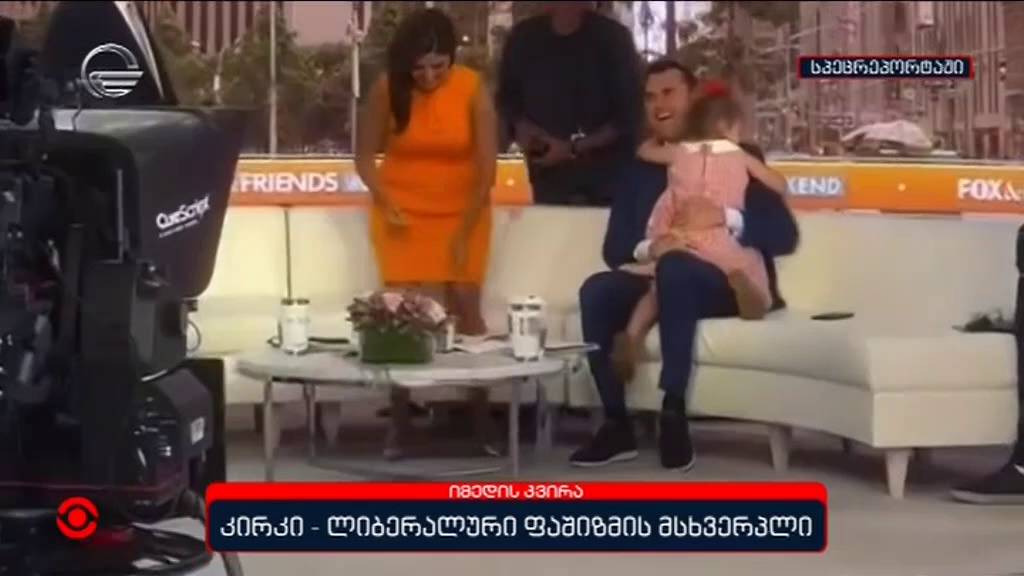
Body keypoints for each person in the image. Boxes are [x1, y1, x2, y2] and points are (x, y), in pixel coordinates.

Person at [570, 59, 799, 470]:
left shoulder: (735, 155)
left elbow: (783, 234)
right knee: (597, 290)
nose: (658, 105)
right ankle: (617, 424)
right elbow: (616, 248)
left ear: (692, 98)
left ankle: (673, 414)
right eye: (649, 97)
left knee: (676, 270)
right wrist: (651, 247)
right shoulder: (639, 168)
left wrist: (725, 217)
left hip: (723, 279)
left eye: (668, 93)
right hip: (659, 270)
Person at [355, 9, 498, 457]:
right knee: (401, 315)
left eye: (439, 65)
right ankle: (400, 424)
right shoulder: (387, 89)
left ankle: (481, 423)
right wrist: (386, 201)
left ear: (453, 57)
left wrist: (463, 232)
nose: (430, 76)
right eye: (419, 68)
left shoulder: (473, 88)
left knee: (466, 305)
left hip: (465, 210)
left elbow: (487, 171)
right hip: (402, 213)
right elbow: (363, 159)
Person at [609, 83, 789, 383]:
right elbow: (779, 185)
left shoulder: (680, 154)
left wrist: (656, 139)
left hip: (685, 242)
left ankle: (632, 334)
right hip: (722, 244)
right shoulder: (739, 155)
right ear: (728, 127)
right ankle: (750, 291)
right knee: (744, 264)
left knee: (659, 289)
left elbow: (645, 151)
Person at [497, 1, 641, 206]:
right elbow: (507, 99)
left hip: (604, 183)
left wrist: (572, 149)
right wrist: (523, 127)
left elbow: (628, 115)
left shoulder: (613, 39)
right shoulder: (523, 37)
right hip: (538, 180)